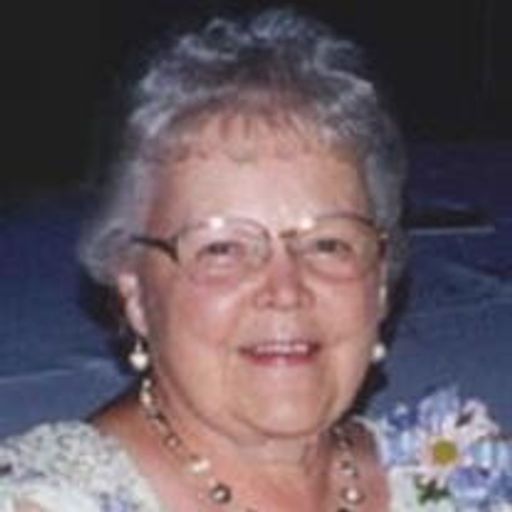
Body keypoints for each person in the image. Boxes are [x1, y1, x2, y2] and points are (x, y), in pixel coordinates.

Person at [1, 8, 510, 512]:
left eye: (328, 244)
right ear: (134, 291)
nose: (286, 291)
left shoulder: (461, 475)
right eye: (223, 248)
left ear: (379, 283)